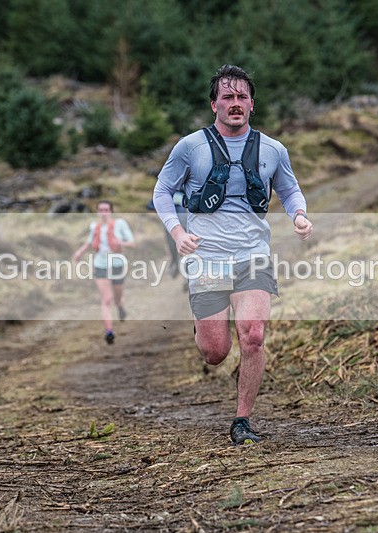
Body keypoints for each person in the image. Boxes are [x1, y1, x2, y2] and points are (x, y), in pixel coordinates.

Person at [153, 64, 313, 445]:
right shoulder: (190, 147)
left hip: (253, 255)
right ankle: (204, 326)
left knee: (253, 335)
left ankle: (242, 421)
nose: (235, 103)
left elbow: (289, 190)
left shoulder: (273, 149)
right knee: (216, 352)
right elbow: (162, 191)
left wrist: (299, 215)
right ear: (215, 105)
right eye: (228, 97)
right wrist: (177, 233)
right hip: (208, 257)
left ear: (252, 104)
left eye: (242, 96)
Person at [73, 200, 135, 344]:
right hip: (100, 266)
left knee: (117, 298)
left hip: (118, 265)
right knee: (107, 299)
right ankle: (109, 332)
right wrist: (79, 253)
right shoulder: (95, 227)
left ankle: (120, 306)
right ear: (97, 212)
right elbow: (89, 243)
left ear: (111, 211)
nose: (103, 213)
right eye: (101, 210)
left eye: (106, 210)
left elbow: (132, 243)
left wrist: (121, 243)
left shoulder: (120, 224)